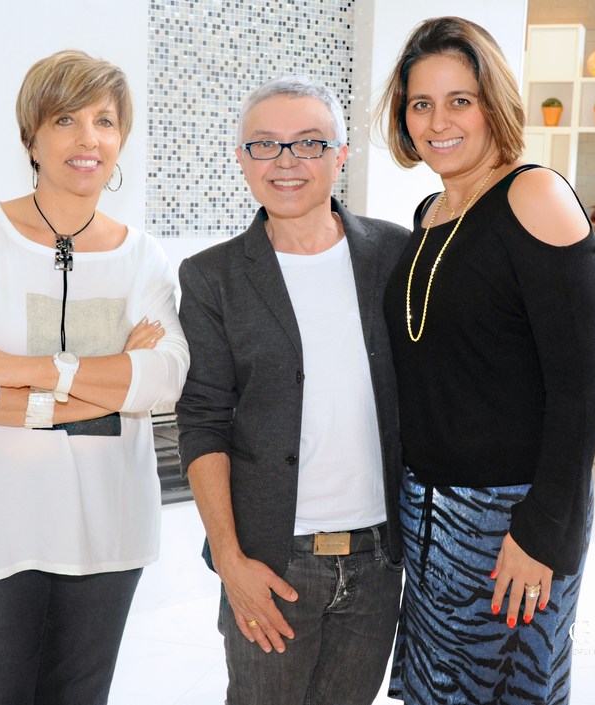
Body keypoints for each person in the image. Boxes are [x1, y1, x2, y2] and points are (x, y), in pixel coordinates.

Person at [0, 50, 189, 705]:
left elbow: (164, 380)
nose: (88, 138)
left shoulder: (142, 257)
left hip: (107, 539)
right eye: (66, 119)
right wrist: (104, 387)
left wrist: (21, 370)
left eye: (105, 121)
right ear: (31, 137)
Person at [375, 17, 595, 705]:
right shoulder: (430, 212)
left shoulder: (534, 195)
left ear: (493, 105)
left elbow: (585, 381)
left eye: (461, 100)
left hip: (511, 516)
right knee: (437, 691)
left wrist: (542, 531)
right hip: (429, 512)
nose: (438, 122)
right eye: (421, 104)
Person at [175, 76, 408, 705]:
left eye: (308, 143)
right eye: (265, 144)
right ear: (242, 158)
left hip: (378, 560)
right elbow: (203, 421)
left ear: (340, 155)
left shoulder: (394, 255)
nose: (286, 162)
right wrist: (230, 562)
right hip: (272, 563)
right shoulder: (213, 277)